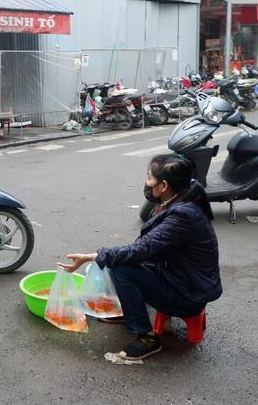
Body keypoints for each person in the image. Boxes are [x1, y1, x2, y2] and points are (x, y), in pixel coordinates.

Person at [59, 154, 222, 360]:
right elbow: (148, 249)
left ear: (163, 186)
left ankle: (147, 337)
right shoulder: (180, 198)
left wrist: (91, 256)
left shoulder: (182, 215)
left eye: (149, 178)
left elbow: (141, 250)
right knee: (122, 260)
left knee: (121, 268)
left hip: (188, 295)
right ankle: (129, 309)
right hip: (179, 277)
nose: (146, 183)